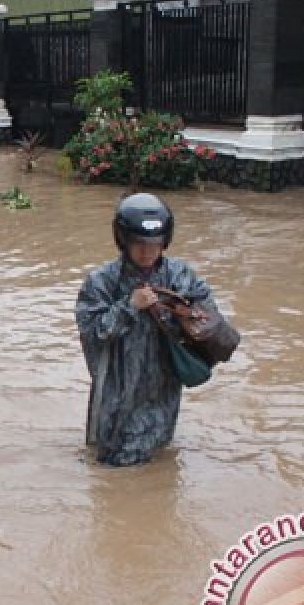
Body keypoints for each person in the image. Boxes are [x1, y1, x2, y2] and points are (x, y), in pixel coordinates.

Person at [75, 193, 222, 467]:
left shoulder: (178, 275)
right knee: (115, 462)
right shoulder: (101, 282)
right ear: (124, 241)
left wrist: (189, 314)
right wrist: (129, 306)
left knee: (159, 459)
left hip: (163, 385)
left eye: (154, 244)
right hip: (119, 389)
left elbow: (207, 310)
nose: (147, 252)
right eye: (139, 244)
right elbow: (93, 331)